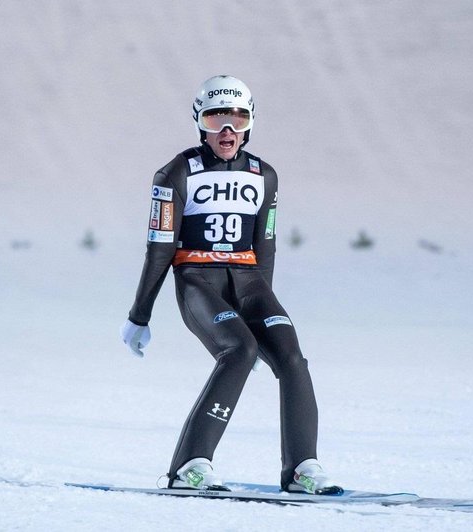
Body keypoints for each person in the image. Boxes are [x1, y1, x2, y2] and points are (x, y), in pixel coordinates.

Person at [119, 75, 341, 495]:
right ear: (200, 122)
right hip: (197, 278)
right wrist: (139, 314)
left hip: (249, 280)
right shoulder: (175, 173)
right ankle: (189, 465)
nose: (227, 130)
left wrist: (262, 309)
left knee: (292, 357)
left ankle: (302, 467)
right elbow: (159, 249)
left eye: (237, 118)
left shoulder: (265, 175)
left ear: (250, 122)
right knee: (239, 350)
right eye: (216, 117)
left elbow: (266, 247)